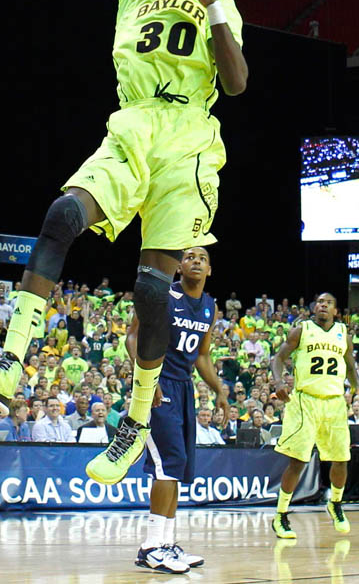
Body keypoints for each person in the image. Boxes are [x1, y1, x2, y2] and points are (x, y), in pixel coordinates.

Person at [0, 0, 249, 490]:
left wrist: (212, 2)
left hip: (190, 138)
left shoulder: (217, 6)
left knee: (150, 292)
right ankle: (9, 361)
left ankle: (136, 422)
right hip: (135, 119)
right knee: (62, 214)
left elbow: (235, 83)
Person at [136, 246, 226, 573]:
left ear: (210, 269)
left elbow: (202, 356)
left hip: (184, 388)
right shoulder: (163, 296)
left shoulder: (209, 307)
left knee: (178, 468)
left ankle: (166, 544)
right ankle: (151, 546)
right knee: (168, 464)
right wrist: (149, 376)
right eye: (189, 257)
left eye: (202, 258)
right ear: (179, 267)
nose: (196, 261)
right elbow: (134, 337)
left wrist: (220, 391)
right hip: (157, 386)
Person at [270, 293, 359, 539]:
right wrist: (278, 381)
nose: (323, 305)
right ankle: (281, 515)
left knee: (341, 458)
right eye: (320, 302)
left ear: (336, 311)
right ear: (314, 308)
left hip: (334, 402)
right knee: (298, 461)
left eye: (329, 303)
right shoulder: (301, 330)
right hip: (305, 399)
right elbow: (278, 358)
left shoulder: (344, 334)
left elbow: (350, 365)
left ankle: (336, 504)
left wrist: (357, 386)